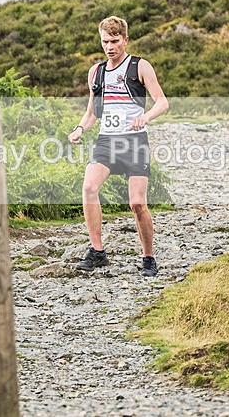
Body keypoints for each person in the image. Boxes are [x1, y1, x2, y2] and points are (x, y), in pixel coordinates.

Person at [68, 16, 169, 277]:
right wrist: (79, 129)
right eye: (105, 42)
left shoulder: (140, 66)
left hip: (135, 142)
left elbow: (162, 102)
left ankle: (148, 257)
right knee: (89, 187)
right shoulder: (96, 72)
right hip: (106, 141)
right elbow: (91, 113)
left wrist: (145, 117)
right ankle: (97, 251)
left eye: (114, 41)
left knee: (137, 204)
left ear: (125, 40)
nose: (110, 47)